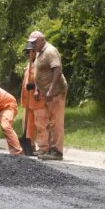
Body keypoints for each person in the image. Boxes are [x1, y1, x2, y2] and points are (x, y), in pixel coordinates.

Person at [28, 31, 68, 161]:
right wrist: (38, 90)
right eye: (31, 43)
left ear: (41, 40)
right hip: (47, 93)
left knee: (56, 122)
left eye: (34, 43)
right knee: (50, 122)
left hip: (56, 92)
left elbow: (57, 70)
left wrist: (51, 90)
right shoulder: (40, 52)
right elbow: (41, 73)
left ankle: (57, 151)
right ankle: (50, 150)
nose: (33, 45)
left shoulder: (50, 51)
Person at [19, 42, 44, 155]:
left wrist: (35, 87)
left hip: (37, 100)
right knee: (27, 124)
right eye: (27, 52)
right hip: (27, 100)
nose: (29, 54)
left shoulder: (40, 64)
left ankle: (43, 147)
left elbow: (42, 80)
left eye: (31, 51)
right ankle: (31, 145)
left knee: (39, 124)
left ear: (35, 52)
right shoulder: (29, 65)